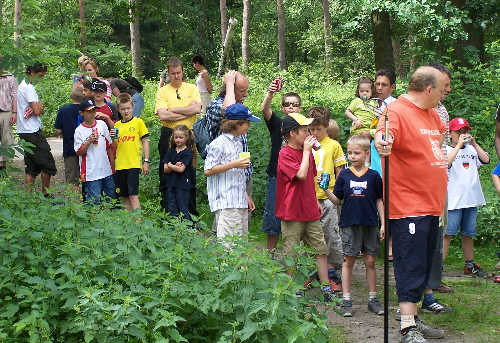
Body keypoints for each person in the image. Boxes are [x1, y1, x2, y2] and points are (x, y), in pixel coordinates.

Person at [375, 66, 448, 343]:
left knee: (425, 264)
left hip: (430, 205)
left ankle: (414, 319)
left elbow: (436, 143)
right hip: (409, 206)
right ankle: (407, 328)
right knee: (411, 264)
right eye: (442, 88)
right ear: (428, 89)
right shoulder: (395, 112)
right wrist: (383, 142)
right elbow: (383, 136)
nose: (445, 93)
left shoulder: (431, 114)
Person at [321, 135, 384, 317]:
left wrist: (383, 224)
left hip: (370, 223)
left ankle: (373, 298)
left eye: (356, 153)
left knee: (370, 261)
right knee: (348, 261)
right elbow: (337, 201)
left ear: (366, 153)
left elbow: (379, 200)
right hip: (349, 224)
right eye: (349, 153)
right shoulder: (344, 176)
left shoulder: (374, 176)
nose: (352, 156)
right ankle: (347, 299)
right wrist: (325, 189)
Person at [275, 112, 335, 302]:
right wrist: (308, 152)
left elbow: (310, 179)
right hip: (292, 212)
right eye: (304, 130)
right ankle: (291, 289)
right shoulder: (285, 154)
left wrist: (316, 200)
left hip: (310, 210)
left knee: (320, 250)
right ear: (293, 133)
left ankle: (326, 288)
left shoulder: (304, 151)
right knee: (291, 252)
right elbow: (300, 175)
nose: (310, 134)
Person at [204, 70, 252, 230]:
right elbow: (229, 111)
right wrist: (230, 83)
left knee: (240, 229)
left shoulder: (239, 106)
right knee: (225, 228)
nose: (245, 95)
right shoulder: (217, 105)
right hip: (224, 185)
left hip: (241, 176)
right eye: (241, 90)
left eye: (246, 90)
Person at [305, 106, 346, 291]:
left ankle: (331, 272)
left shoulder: (333, 145)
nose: (315, 133)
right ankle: (312, 271)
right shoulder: (305, 145)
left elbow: (340, 171)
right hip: (308, 197)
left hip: (328, 198)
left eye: (318, 129)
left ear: (327, 126)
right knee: (311, 236)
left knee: (330, 234)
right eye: (311, 129)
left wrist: (338, 194)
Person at [204, 104, 258, 243]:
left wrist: (245, 195)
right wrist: (234, 164)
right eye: (247, 123)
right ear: (236, 124)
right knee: (228, 245)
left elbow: (238, 173)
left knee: (240, 244)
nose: (249, 126)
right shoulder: (218, 144)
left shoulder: (238, 142)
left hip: (239, 200)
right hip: (226, 201)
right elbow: (208, 170)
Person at [442, 117, 489, 277]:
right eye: (459, 131)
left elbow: (486, 159)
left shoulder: (472, 150)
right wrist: (459, 145)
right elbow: (446, 163)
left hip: (471, 199)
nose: (463, 134)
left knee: (469, 233)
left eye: (465, 131)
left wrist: (474, 144)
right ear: (451, 134)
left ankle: (470, 265)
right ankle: (438, 267)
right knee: (448, 234)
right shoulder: (447, 150)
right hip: (454, 201)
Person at [260, 78, 303, 251]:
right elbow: (264, 109)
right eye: (287, 104)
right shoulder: (278, 123)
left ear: (300, 108)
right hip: (276, 177)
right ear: (282, 108)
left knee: (297, 217)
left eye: (295, 104)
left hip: (297, 177)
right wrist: (271, 93)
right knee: (273, 216)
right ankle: (269, 254)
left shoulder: (304, 126)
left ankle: (294, 256)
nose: (291, 107)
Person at [155, 56, 201, 214]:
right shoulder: (162, 91)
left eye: (179, 72)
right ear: (168, 73)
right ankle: (169, 213)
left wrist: (174, 110)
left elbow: (196, 109)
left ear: (183, 71)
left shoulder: (191, 88)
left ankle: (190, 215)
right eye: (173, 73)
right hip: (168, 135)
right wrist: (186, 110)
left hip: (189, 135)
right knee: (167, 171)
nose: (176, 76)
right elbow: (163, 116)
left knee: (189, 173)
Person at [17, 63, 57, 195]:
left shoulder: (21, 85)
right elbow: (38, 110)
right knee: (48, 164)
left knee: (32, 167)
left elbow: (37, 109)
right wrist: (38, 106)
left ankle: (28, 198)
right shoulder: (28, 87)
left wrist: (38, 108)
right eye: (40, 76)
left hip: (24, 131)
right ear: (31, 72)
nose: (41, 79)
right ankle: (46, 195)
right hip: (32, 131)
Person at [112, 93, 150, 211]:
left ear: (132, 107)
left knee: (133, 195)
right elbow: (117, 146)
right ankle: (130, 225)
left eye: (128, 108)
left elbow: (145, 141)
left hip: (133, 164)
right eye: (123, 109)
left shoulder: (138, 122)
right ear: (119, 109)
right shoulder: (117, 125)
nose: (126, 111)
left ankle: (138, 224)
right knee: (125, 196)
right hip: (120, 165)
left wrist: (146, 161)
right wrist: (113, 138)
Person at [74, 99, 115, 205]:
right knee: (93, 203)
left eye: (93, 110)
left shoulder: (102, 124)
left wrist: (113, 168)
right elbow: (78, 152)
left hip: (106, 170)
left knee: (111, 201)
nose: (92, 114)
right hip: (91, 173)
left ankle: (110, 221)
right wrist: (89, 141)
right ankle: (91, 221)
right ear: (81, 113)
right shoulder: (79, 131)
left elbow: (109, 146)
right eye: (89, 111)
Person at [54, 89, 86, 191]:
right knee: (87, 177)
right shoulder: (88, 109)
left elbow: (58, 130)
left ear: (71, 96)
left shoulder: (63, 110)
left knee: (72, 179)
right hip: (86, 147)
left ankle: (73, 204)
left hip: (69, 147)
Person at [163, 125, 195, 221]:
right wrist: (174, 166)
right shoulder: (170, 151)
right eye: (176, 137)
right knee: (171, 207)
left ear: (186, 138)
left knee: (182, 207)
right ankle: (173, 229)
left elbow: (181, 170)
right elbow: (165, 169)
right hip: (171, 184)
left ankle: (188, 228)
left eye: (181, 137)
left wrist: (170, 165)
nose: (178, 140)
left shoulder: (188, 152)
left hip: (183, 185)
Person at [0, 54, 18, 176]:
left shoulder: (10, 77)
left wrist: (14, 113)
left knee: (6, 141)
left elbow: (14, 96)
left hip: (6, 112)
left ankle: (3, 170)